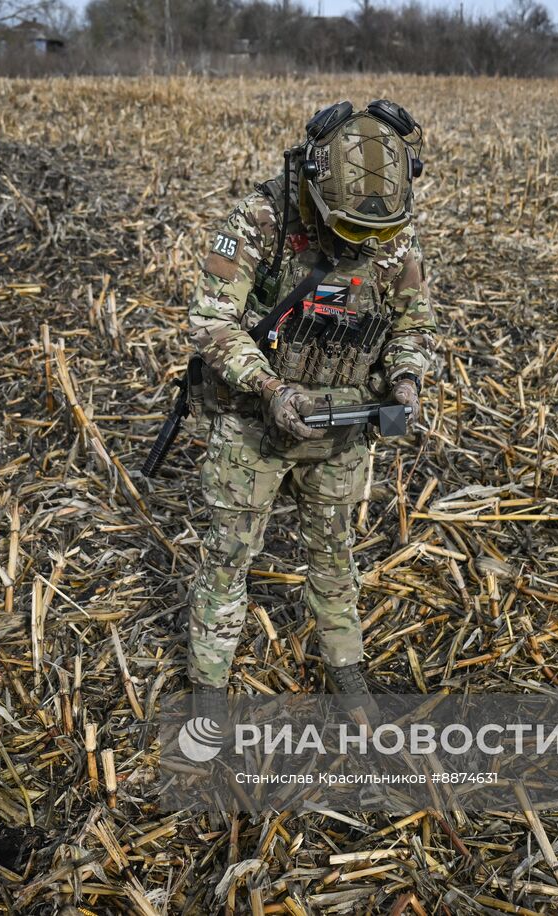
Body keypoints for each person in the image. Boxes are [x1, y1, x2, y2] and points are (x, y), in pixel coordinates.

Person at [186, 100, 438, 720]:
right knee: (229, 557)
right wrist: (270, 391)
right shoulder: (262, 217)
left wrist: (405, 380)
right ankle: (208, 694)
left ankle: (347, 672)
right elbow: (211, 318)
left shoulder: (392, 234)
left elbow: (413, 323)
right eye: (351, 231)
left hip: (345, 423)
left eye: (377, 234)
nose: (368, 246)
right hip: (253, 424)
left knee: (334, 553)